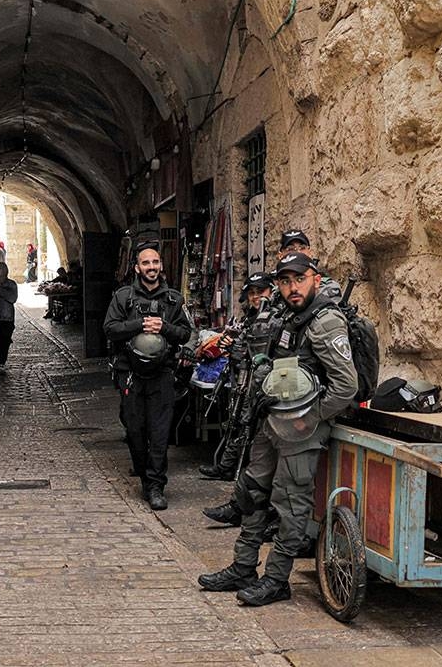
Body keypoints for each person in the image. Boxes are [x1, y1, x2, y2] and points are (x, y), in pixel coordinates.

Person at [198, 251, 357, 606]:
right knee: (251, 491)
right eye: (285, 281)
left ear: (315, 279)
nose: (292, 287)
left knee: (290, 504)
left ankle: (276, 579)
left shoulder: (326, 322)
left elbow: (346, 386)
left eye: (299, 279)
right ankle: (243, 567)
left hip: (302, 430)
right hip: (273, 420)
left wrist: (311, 418)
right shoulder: (286, 315)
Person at [103, 243, 194, 511]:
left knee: (160, 431)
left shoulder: (174, 300)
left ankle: (156, 485)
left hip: (162, 374)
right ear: (137, 268)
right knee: (135, 431)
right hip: (131, 374)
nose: (151, 267)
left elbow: (185, 334)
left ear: (161, 265)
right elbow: (110, 328)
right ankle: (144, 475)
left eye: (155, 262)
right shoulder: (123, 297)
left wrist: (163, 327)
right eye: (146, 263)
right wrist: (140, 325)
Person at [198, 272, 274, 481]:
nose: (256, 297)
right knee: (238, 422)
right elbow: (242, 349)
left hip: (266, 382)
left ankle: (242, 470)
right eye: (252, 293)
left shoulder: (274, 318)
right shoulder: (249, 318)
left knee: (251, 425)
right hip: (245, 379)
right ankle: (227, 466)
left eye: (261, 291)